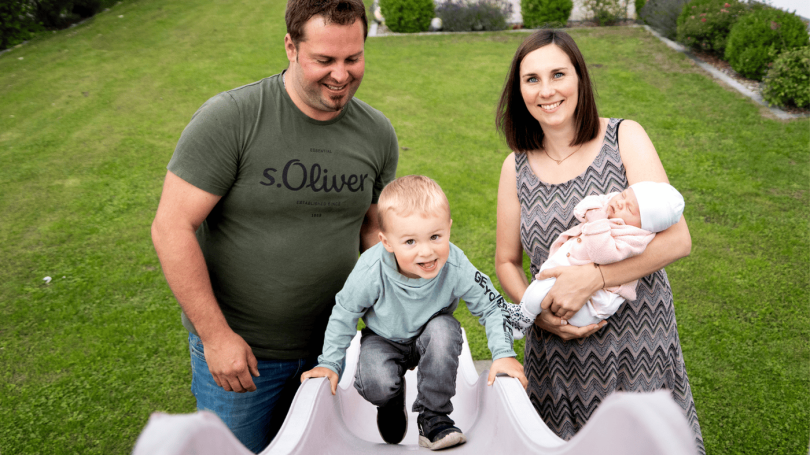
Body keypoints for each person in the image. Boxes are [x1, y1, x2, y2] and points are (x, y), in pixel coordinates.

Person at [150, 0, 398, 452]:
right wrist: (215, 336)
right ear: (290, 46)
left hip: (332, 353)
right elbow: (171, 227)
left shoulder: (377, 133)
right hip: (243, 359)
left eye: (353, 58)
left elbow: (372, 230)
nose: (341, 75)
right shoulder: (232, 118)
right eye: (324, 60)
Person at [494, 30, 705, 453]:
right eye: (531, 79)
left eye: (558, 74)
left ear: (580, 79)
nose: (546, 90)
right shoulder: (514, 167)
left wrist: (594, 278)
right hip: (556, 360)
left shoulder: (624, 137)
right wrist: (537, 316)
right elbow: (506, 262)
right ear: (519, 91)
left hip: (637, 345)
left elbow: (678, 239)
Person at [300, 175, 527, 451]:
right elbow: (345, 313)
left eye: (435, 236)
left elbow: (491, 305)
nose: (427, 252)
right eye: (410, 241)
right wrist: (330, 363)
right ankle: (390, 400)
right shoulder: (372, 271)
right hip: (383, 338)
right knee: (377, 384)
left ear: (449, 229)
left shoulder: (455, 265)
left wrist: (503, 353)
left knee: (445, 330)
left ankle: (434, 419)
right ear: (387, 242)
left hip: (431, 334)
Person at [508, 182, 685, 335]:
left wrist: (596, 221)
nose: (620, 203)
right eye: (623, 195)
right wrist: (593, 208)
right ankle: (526, 315)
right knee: (539, 293)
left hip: (593, 302)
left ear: (644, 226)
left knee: (538, 290)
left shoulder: (635, 238)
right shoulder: (615, 206)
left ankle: (519, 320)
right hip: (573, 286)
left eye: (629, 208)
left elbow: (603, 255)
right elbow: (585, 208)